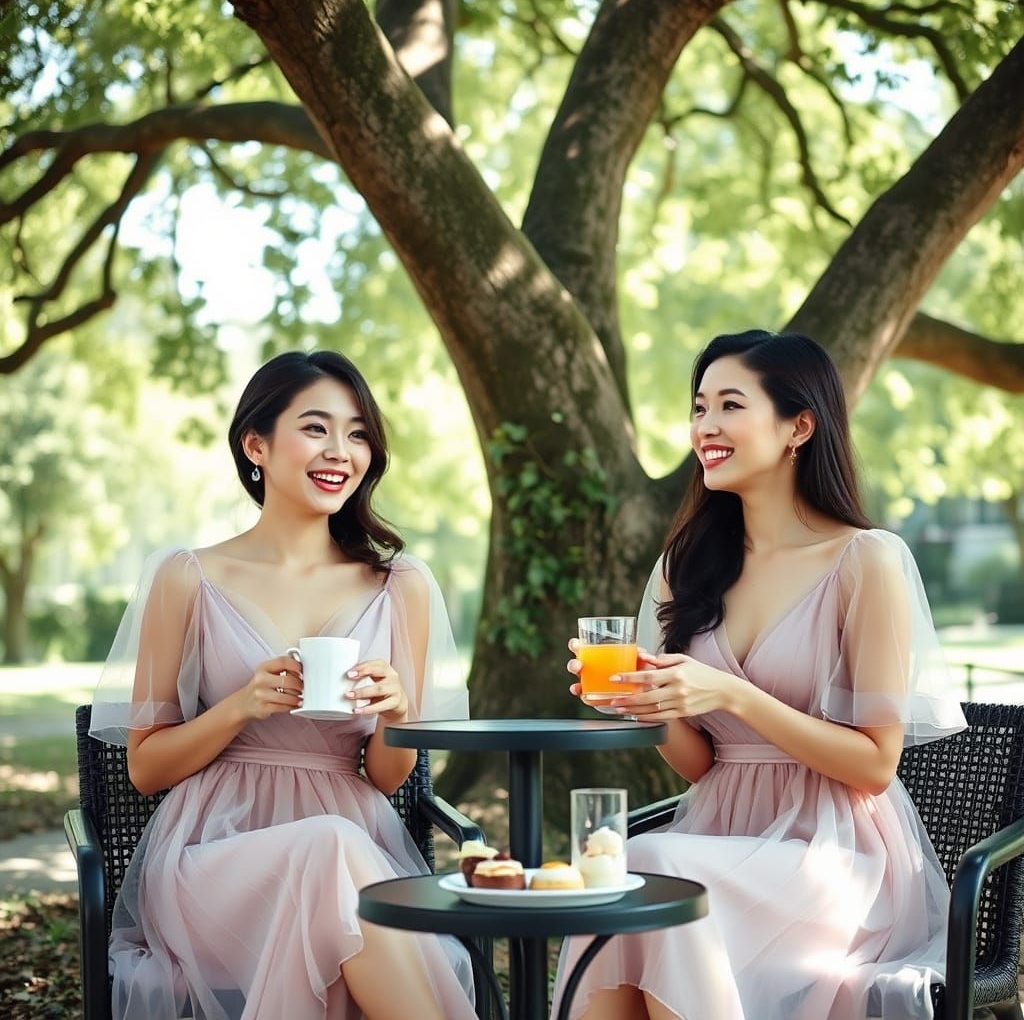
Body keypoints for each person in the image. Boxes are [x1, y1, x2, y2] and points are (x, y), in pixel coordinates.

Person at [552, 330, 967, 1020]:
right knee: (628, 876)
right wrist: (649, 706)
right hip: (723, 831)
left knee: (657, 872)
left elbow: (873, 764)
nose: (704, 427)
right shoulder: (684, 567)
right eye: (698, 407)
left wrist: (734, 694)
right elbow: (701, 765)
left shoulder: (866, 561)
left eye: (729, 406)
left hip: (836, 858)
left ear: (799, 425)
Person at [90, 351, 477, 1020]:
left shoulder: (400, 585)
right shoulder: (187, 577)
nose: (341, 451)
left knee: (332, 856)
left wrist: (396, 712)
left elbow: (386, 778)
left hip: (355, 843)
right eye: (317, 428)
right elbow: (145, 768)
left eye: (357, 433)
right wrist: (240, 706)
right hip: (213, 862)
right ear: (255, 444)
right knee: (328, 851)